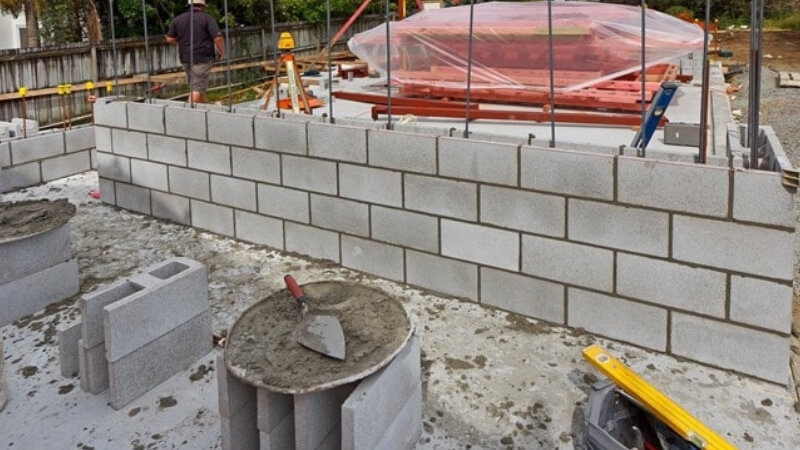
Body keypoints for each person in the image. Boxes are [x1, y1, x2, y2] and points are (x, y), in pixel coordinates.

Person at [166, 0, 225, 104]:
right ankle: (188, 116)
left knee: (196, 87)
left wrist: (183, 41)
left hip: (185, 57)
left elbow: (169, 39)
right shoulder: (207, 18)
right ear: (203, 6)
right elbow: (218, 37)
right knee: (197, 90)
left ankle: (207, 110)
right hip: (202, 58)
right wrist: (222, 52)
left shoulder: (178, 19)